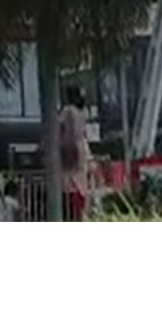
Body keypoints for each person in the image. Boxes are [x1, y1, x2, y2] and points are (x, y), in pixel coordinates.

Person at [57, 87, 92, 222]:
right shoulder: (85, 111)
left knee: (68, 179)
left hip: (69, 147)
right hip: (82, 146)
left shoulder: (67, 110)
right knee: (81, 180)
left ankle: (72, 210)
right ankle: (81, 212)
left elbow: (58, 125)